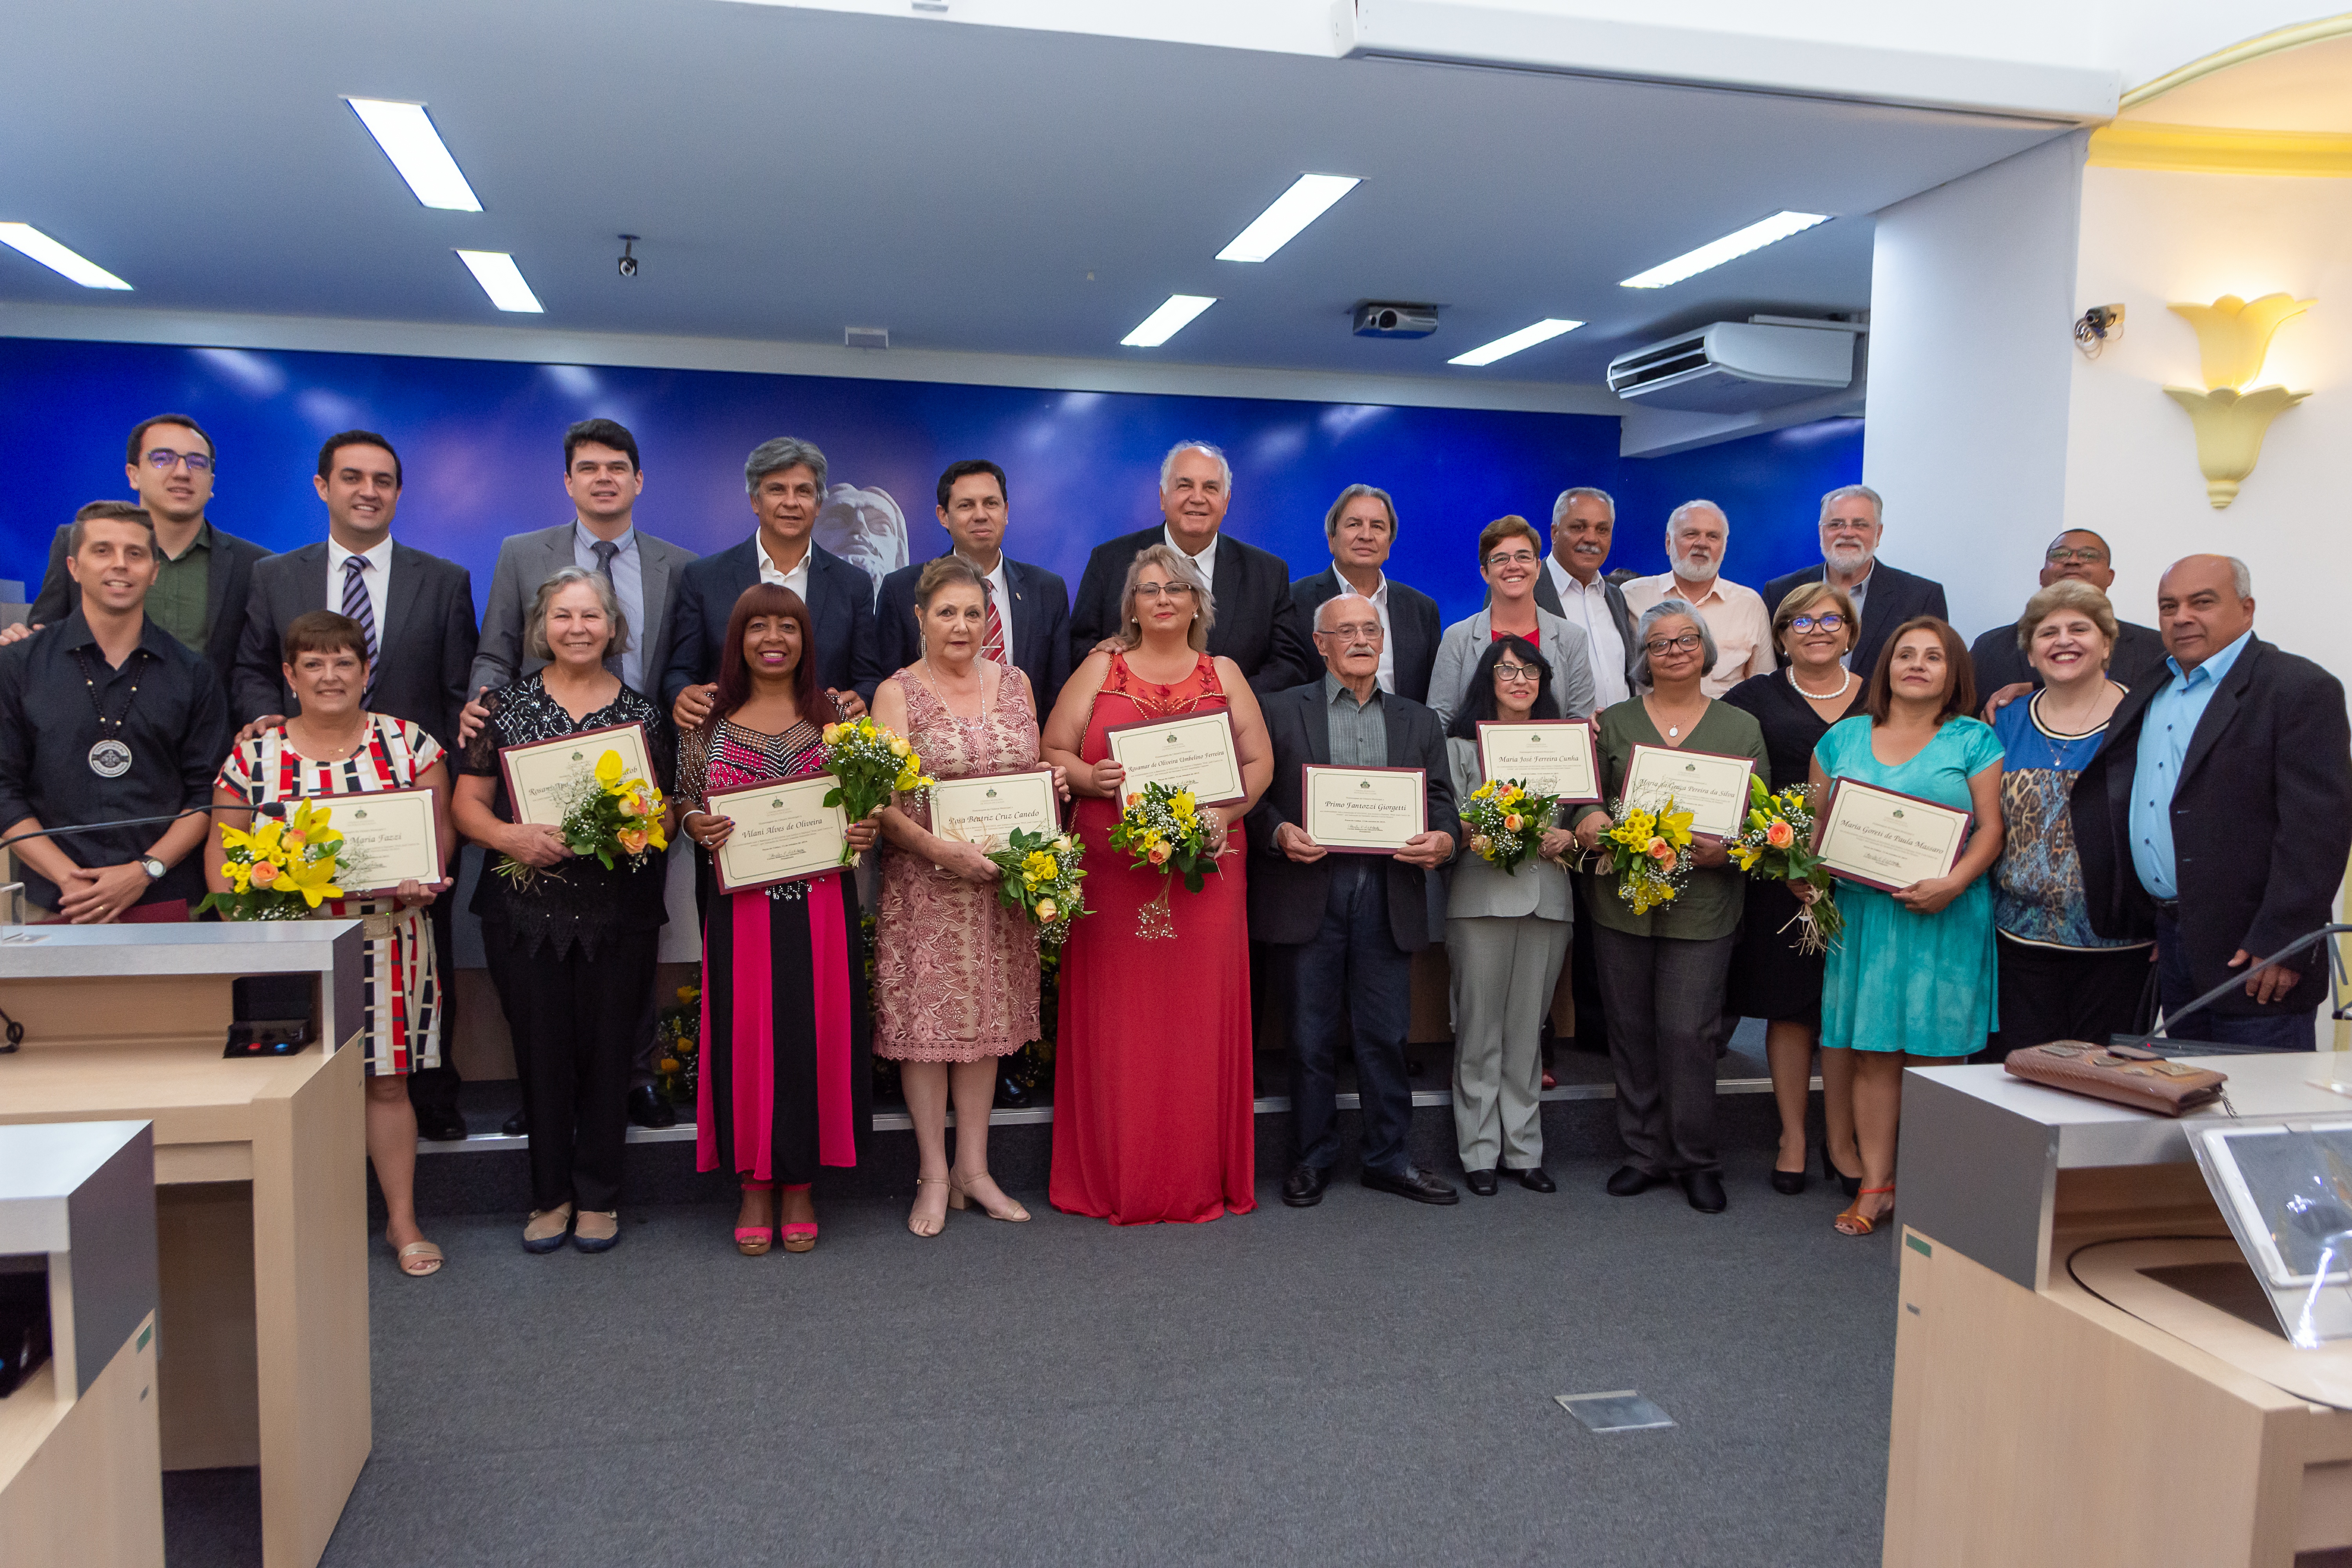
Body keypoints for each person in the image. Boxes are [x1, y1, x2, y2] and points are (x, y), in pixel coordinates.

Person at [233, 430, 479, 1142]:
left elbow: (457, 690)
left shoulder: (445, 579)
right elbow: (252, 668)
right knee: (306, 956)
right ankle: (315, 1106)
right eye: (351, 477)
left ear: (399, 493)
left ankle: (430, 1096)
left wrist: (445, 821)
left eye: (382, 479)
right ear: (323, 488)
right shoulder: (276, 576)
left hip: (409, 802)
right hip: (301, 797)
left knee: (425, 953)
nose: (367, 490)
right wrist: (265, 725)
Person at [463, 417, 699, 1135]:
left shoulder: (680, 565)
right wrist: (480, 710)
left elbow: (683, 667)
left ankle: (632, 1077)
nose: (604, 477)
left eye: (617, 466)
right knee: (534, 946)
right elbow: (496, 650)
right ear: (568, 481)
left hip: (639, 773)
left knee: (630, 935)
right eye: (588, 467)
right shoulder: (519, 553)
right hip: (534, 759)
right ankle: (544, 1090)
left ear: (638, 480)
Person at [207, 611, 455, 1277]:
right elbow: (222, 859)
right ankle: (305, 1226)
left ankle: (402, 1221)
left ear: (366, 672)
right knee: (292, 1088)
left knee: (386, 1084)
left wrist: (423, 878)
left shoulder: (410, 746)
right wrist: (252, 933)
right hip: (289, 950)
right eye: (313, 664)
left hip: (387, 937)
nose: (330, 675)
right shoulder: (253, 757)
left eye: (344, 662)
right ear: (288, 676)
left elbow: (439, 836)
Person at [1040, 542, 1272, 1223]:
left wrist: (1226, 813)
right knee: (1122, 1024)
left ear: (1198, 602)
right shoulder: (1100, 669)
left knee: (1198, 1021)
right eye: (1149, 590)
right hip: (1114, 874)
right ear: (1132, 607)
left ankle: (1198, 1171)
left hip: (1210, 872)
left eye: (1177, 588)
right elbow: (1052, 750)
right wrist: (1091, 778)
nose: (1164, 598)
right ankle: (1121, 1173)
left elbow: (1258, 761)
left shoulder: (1223, 672)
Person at [452, 569, 673, 1254]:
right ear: (540, 628)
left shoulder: (645, 714)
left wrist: (636, 824)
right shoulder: (502, 709)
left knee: (611, 1056)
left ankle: (600, 1197)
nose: (577, 628)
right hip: (525, 915)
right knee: (541, 1057)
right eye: (562, 615)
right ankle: (549, 1196)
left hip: (618, 914)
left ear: (614, 628)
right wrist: (509, 836)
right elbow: (465, 806)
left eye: (591, 616)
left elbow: (662, 811)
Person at [2072, 555, 2352, 1051]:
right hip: (2172, 941)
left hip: (2258, 955)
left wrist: (2283, 942)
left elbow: (2319, 831)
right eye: (2168, 606)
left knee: (2258, 1115)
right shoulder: (2154, 686)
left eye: (2202, 602)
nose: (2182, 617)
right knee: (2188, 1100)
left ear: (2246, 609)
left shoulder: (2298, 689)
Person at [676, 583, 880, 1254]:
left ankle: (799, 1185)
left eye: (787, 627)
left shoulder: (838, 719)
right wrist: (693, 824)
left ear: (805, 640)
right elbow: (683, 801)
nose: (773, 638)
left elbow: (863, 805)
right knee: (748, 1041)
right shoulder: (705, 722)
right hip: (740, 910)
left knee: (810, 1038)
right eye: (757, 626)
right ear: (736, 639)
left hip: (821, 906)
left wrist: (864, 828)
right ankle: (753, 1185)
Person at [871, 557, 1061, 1236]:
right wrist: (937, 850)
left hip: (1000, 892)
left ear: (991, 621)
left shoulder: (1016, 683)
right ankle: (933, 1175)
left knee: (984, 1031)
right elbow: (880, 804)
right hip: (928, 888)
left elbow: (1032, 771)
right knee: (930, 1035)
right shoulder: (897, 694)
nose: (961, 625)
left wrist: (1052, 791)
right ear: (919, 618)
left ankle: (976, 1171)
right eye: (946, 613)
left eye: (973, 613)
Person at [1251, 594, 1460, 1207]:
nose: (1362, 639)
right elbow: (1253, 797)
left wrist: (1445, 838)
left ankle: (1390, 1159)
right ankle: (1312, 1160)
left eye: (1372, 629)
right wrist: (1277, 831)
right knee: (1310, 1039)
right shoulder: (1279, 712)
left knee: (1387, 1036)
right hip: (1308, 893)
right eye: (1347, 631)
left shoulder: (1418, 720)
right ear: (1321, 644)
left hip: (1388, 894)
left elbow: (1442, 800)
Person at [1569, 603, 1769, 1214]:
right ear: (1643, 658)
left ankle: (1697, 1158)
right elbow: (1585, 797)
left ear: (1706, 651)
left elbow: (1761, 824)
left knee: (1688, 1033)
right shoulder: (1616, 723)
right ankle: (1644, 1153)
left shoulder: (1741, 728)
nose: (1675, 650)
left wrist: (1730, 850)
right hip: (1621, 903)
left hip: (1704, 906)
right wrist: (1590, 821)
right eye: (1659, 643)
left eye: (1687, 639)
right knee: (1629, 1031)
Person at [1808, 617, 2004, 1236]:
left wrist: (1953, 882)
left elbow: (1992, 830)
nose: (1918, 665)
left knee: (1937, 1056)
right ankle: (1876, 1186)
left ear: (1954, 675)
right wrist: (1806, 877)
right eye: (1906, 655)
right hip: (1866, 919)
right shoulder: (1841, 740)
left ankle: (1931, 1188)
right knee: (1872, 1054)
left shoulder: (1974, 741)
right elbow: (1816, 834)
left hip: (1944, 915)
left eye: (1934, 658)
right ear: (1886, 666)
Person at [0, 504, 227, 922]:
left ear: (154, 570)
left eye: (135, 554)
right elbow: (4, 790)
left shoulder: (194, 674)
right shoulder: (18, 665)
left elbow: (205, 796)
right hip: (55, 902)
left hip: (169, 901)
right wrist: (68, 878)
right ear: (73, 565)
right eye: (102, 551)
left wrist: (144, 871)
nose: (120, 565)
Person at [1721, 583, 1867, 1196]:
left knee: (1842, 1010)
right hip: (1780, 875)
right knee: (1789, 1009)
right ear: (1780, 635)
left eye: (1831, 618)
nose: (1817, 629)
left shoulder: (1880, 696)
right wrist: (1789, 866)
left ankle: (1843, 1140)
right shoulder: (1752, 696)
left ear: (1850, 631)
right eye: (1801, 620)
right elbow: (1729, 775)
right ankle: (1793, 1137)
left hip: (1863, 877)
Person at [1984, 581, 2151, 1058]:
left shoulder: (2144, 718)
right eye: (2047, 632)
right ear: (2031, 655)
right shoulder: (2004, 719)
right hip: (2017, 942)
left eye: (2080, 628)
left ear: (2107, 645)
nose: (2064, 640)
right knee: (2022, 1077)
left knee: (2100, 1082)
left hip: (2120, 946)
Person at [1442, 636, 1574, 1194]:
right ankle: (1478, 1153)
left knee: (1528, 1032)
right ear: (1487, 680)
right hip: (1481, 900)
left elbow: (1587, 807)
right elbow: (1449, 820)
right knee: (1479, 1030)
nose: (1520, 681)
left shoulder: (1566, 744)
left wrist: (1572, 830)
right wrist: (1492, 826)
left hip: (1549, 899)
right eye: (1507, 670)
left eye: (1531, 672)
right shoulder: (1457, 748)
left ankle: (1524, 1150)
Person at [7, 415, 270, 693]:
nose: (182, 472)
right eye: (162, 458)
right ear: (133, 475)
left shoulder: (255, 565)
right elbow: (45, 638)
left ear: (211, 482)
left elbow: (257, 667)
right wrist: (20, 643)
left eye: (197, 462)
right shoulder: (75, 543)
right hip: (92, 724)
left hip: (207, 729)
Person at [661, 436, 884, 734]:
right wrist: (681, 693)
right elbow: (680, 671)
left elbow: (868, 677)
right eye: (777, 489)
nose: (791, 502)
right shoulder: (705, 578)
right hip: (730, 755)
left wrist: (863, 698)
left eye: (804, 491)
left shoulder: (852, 584)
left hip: (825, 757)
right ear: (755, 501)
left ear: (819, 504)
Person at [1066, 440, 1312, 693]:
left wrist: (1228, 701)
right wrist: (1100, 655)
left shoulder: (1269, 573)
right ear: (1163, 497)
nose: (1197, 498)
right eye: (1185, 486)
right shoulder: (1109, 561)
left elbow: (1289, 665)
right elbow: (1076, 648)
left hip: (1232, 724)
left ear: (1226, 502)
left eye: (1210, 488)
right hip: (1133, 720)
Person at [874, 459, 1073, 728]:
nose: (981, 515)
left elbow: (1057, 696)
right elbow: (888, 684)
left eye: (991, 503)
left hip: (1026, 759)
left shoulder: (1047, 590)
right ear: (943, 516)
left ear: (1006, 511)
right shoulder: (902, 590)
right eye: (966, 505)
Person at [1763, 485, 1949, 680]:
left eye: (1860, 525)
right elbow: (1771, 670)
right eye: (1836, 524)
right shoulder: (1780, 592)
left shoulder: (1921, 598)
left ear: (1878, 533)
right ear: (1821, 532)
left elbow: (1936, 675)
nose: (1847, 533)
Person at [1427, 516, 1599, 725]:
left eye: (1523, 557)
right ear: (1485, 573)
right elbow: (1439, 725)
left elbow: (1579, 726)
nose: (1513, 566)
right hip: (1472, 759)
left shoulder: (1573, 638)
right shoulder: (1457, 638)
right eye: (1500, 559)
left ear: (1538, 568)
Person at [1968, 529, 2169, 704]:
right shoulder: (1991, 648)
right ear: (2041, 575)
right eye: (2059, 554)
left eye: (2089, 556)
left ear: (2110, 577)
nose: (2073, 561)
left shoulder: (2156, 648)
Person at [1284, 484, 1443, 704]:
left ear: (1389, 545)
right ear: (1331, 540)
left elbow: (1434, 700)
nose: (1366, 535)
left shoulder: (1422, 611)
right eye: (1354, 524)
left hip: (1402, 736)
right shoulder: (1293, 601)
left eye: (1377, 527)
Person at [1619, 500, 1774, 699]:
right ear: (1669, 543)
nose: (1702, 544)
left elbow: (1763, 687)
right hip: (1646, 725)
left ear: (1724, 547)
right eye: (1691, 534)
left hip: (1724, 726)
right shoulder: (1631, 596)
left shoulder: (1749, 605)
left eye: (1713, 536)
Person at [1532, 485, 1638, 707]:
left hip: (1618, 736)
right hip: (1555, 736)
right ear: (1555, 533)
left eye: (1602, 530)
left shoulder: (1615, 596)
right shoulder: (1527, 590)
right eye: (1579, 527)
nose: (1591, 538)